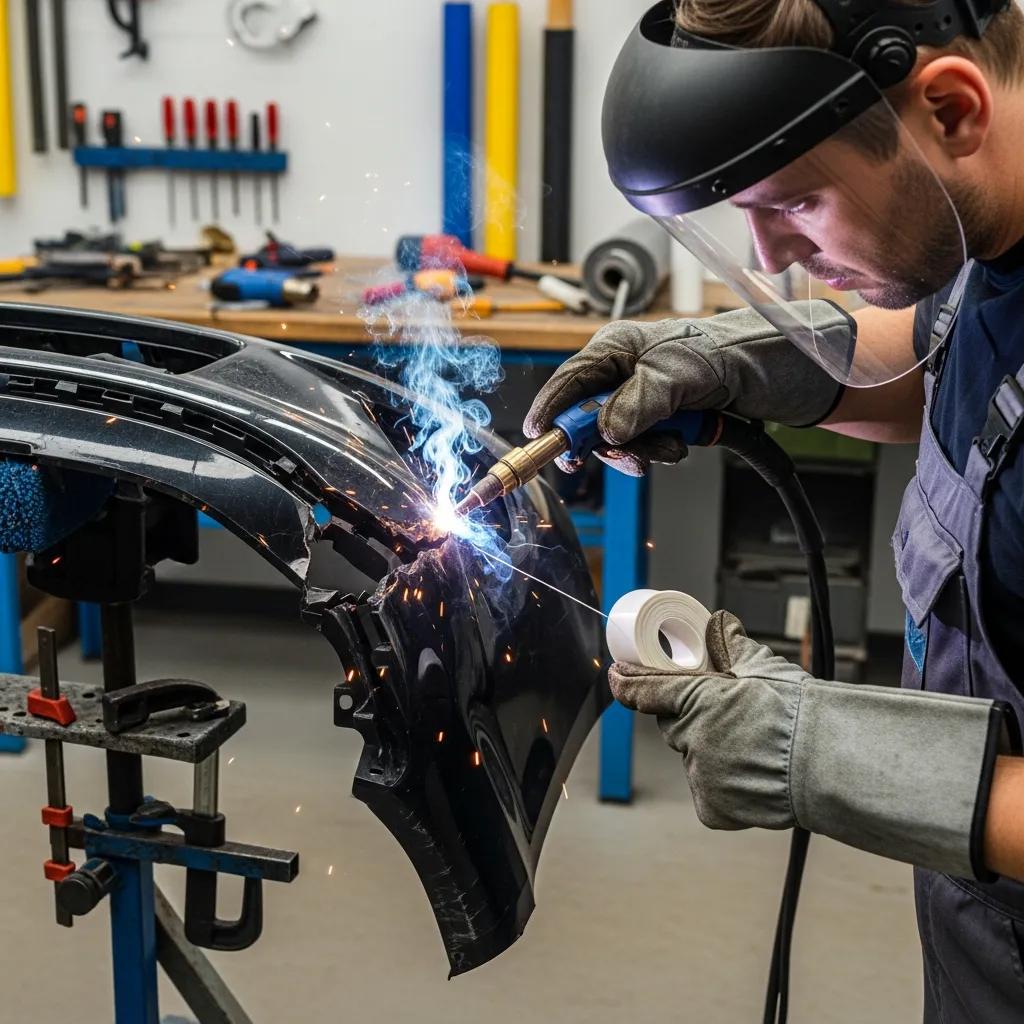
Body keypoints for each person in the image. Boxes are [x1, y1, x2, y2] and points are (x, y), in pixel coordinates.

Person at [525, 1, 1024, 1018]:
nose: (764, 259)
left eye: (791, 204)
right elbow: (949, 366)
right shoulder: (985, 221)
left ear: (950, 110)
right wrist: (733, 363)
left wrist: (829, 754)